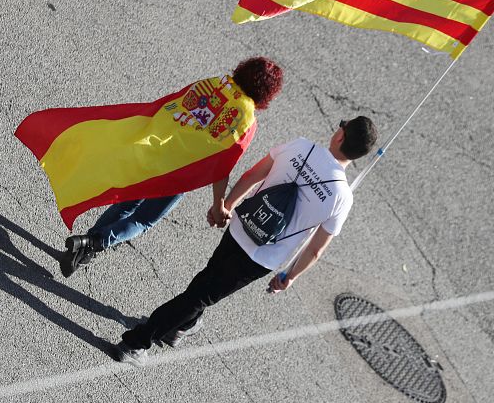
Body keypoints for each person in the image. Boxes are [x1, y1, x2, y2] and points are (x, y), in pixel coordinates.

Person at [113, 116, 377, 365]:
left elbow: (252, 175)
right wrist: (290, 275)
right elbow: (316, 249)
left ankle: (180, 327)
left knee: (207, 283)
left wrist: (226, 205)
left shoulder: (301, 146)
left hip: (243, 225)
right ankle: (137, 342)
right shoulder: (342, 197)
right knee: (202, 295)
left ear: (340, 135)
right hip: (263, 256)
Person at [59, 57, 284, 277]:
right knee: (143, 220)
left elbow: (170, 106)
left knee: (126, 205)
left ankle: (83, 249)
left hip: (155, 151)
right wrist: (219, 205)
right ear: (267, 94)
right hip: (179, 172)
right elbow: (222, 166)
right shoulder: (246, 119)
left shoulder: (215, 83)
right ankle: (93, 242)